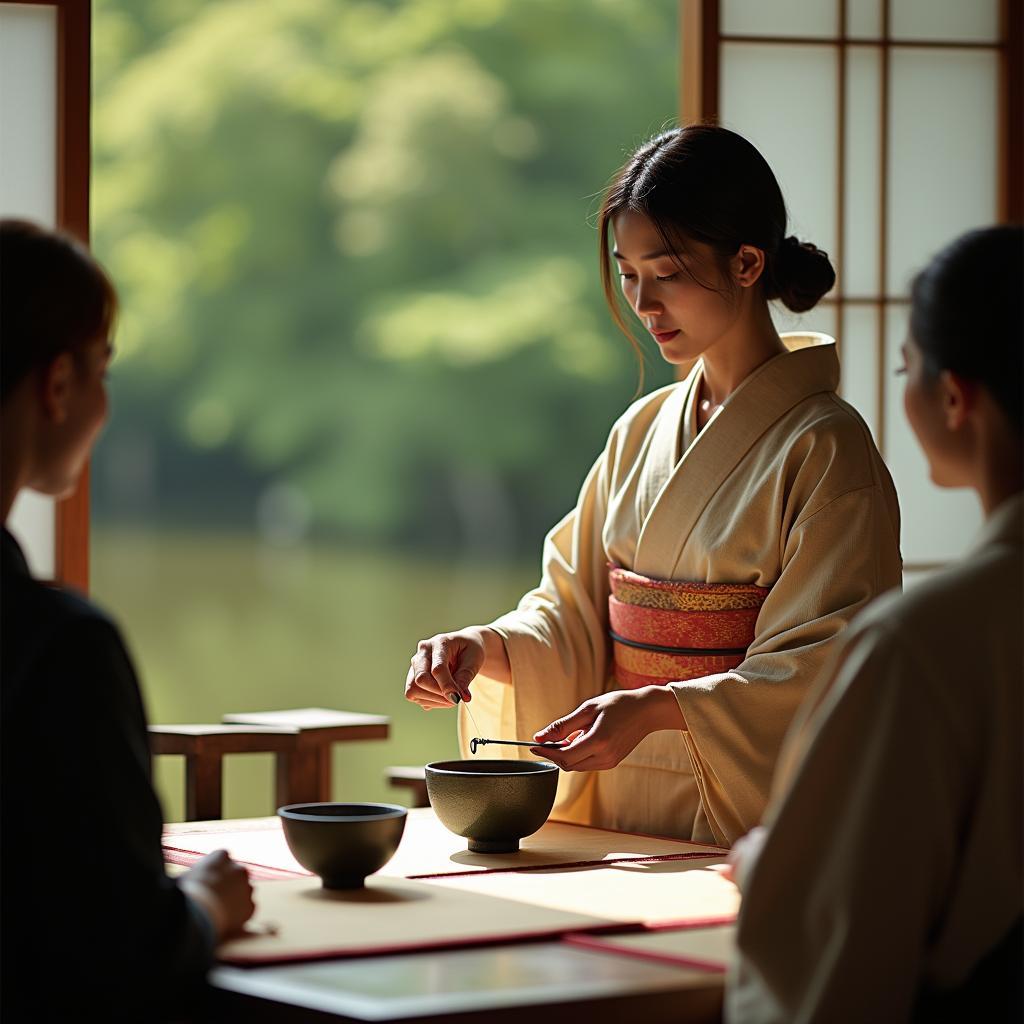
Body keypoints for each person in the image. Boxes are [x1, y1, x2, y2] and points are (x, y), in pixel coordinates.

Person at [405, 125, 902, 846]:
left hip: (738, 814)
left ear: (746, 263)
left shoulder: (825, 448)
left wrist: (660, 709)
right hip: (615, 796)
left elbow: (825, 667)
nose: (643, 302)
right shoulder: (641, 430)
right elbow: (570, 611)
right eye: (628, 273)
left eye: (666, 272)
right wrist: (486, 647)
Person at [726, 225, 1023, 1022]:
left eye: (906, 368)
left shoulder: (923, 642)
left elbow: (851, 926)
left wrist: (771, 867)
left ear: (955, 398)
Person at [0, 219, 255, 1021]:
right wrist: (204, 904)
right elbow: (123, 951)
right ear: (59, 384)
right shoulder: (55, 646)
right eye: (102, 369)